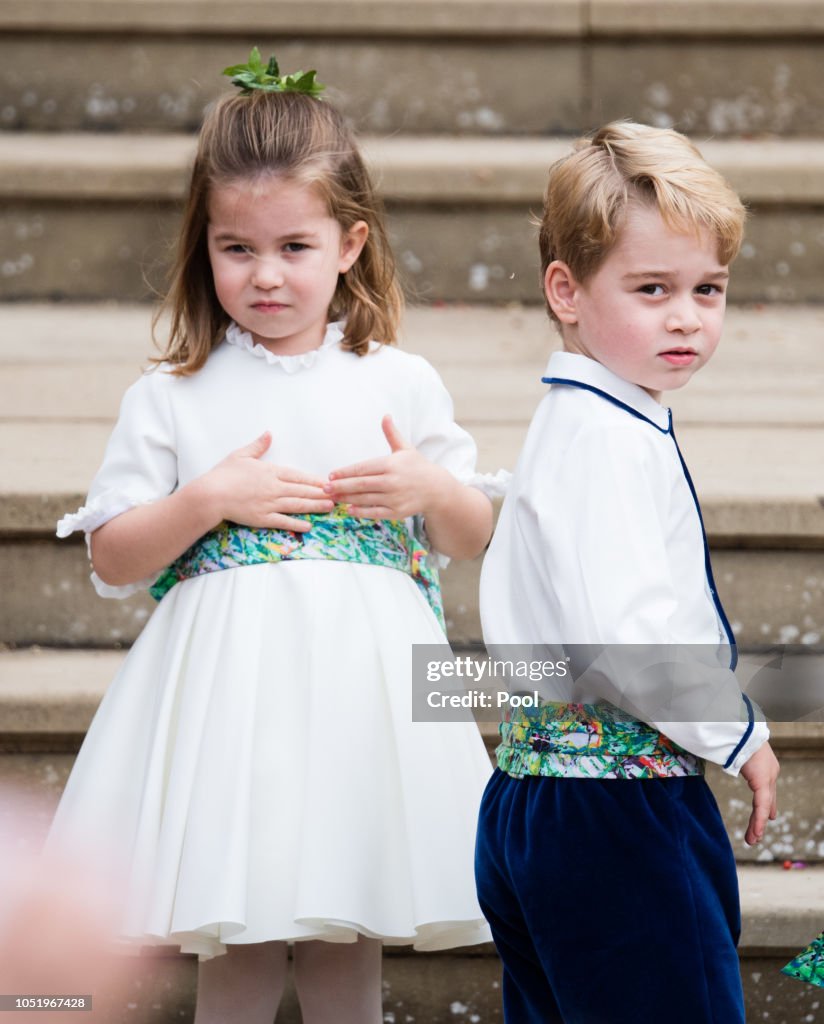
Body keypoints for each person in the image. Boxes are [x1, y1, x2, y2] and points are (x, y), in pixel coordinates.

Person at [49, 53, 495, 1024]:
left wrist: (425, 484)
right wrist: (204, 498)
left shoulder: (397, 380)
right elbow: (114, 556)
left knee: (346, 935)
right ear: (201, 246)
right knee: (240, 935)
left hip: (359, 693)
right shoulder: (172, 394)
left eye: (293, 246)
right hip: (230, 705)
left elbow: (471, 532)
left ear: (348, 243)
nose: (263, 274)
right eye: (235, 248)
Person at [475, 121, 780, 1023]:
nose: (686, 316)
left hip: (537, 800)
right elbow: (631, 636)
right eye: (652, 290)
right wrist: (738, 735)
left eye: (707, 289)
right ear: (565, 291)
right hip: (618, 814)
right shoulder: (607, 441)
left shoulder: (581, 423)